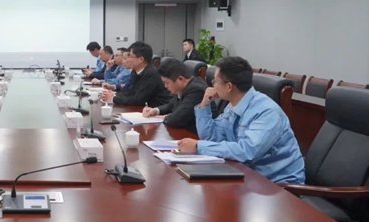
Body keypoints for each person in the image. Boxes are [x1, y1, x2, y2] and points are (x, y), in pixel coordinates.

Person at [178, 56, 305, 184]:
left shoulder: (267, 112)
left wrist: (198, 146)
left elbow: (247, 151)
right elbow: (211, 137)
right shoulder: (233, 105)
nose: (212, 85)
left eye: (215, 81)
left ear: (229, 86)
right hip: (248, 175)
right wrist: (204, 106)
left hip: (279, 184)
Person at [142, 58, 207, 134]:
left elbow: (176, 120)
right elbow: (171, 105)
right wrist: (156, 110)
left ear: (180, 79)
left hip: (195, 136)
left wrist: (157, 117)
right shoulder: (183, 87)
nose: (165, 86)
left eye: (167, 82)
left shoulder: (196, 91)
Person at [101, 41, 171, 107]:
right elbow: (130, 92)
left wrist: (113, 98)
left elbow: (138, 100)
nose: (128, 59)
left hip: (159, 110)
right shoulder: (135, 71)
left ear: (141, 59)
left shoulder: (151, 74)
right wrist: (114, 95)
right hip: (146, 109)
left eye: (130, 56)